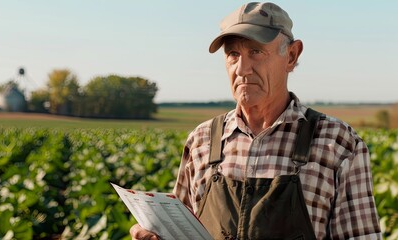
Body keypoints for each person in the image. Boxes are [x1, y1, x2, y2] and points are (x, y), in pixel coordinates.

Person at [130, 2, 382, 239]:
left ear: (292, 56)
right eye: (232, 54)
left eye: (255, 52)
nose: (241, 69)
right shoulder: (202, 140)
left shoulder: (339, 143)